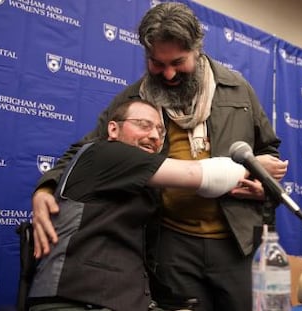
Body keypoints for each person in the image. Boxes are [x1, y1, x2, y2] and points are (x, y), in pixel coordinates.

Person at [31, 3, 288, 311]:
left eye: (178, 62)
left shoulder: (238, 90)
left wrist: (264, 187)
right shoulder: (133, 100)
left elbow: (268, 153)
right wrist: (45, 187)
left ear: (197, 49)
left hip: (236, 243)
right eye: (157, 63)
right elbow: (84, 152)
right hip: (171, 245)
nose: (167, 74)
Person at [27, 98, 259, 311]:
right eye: (143, 125)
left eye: (160, 131)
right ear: (113, 129)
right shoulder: (105, 154)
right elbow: (198, 174)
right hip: (73, 302)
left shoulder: (141, 182)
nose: (155, 136)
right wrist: (253, 166)